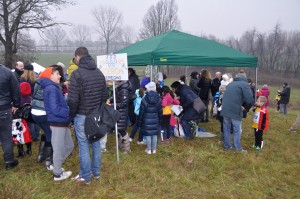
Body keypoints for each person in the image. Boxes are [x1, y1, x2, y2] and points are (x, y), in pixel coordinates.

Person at [68, 47, 108, 184]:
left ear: (78, 57)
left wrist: (71, 116)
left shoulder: (77, 74)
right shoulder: (99, 73)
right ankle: (95, 172)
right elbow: (105, 95)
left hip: (82, 115)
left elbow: (72, 100)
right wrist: (98, 110)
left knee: (84, 144)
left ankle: (85, 176)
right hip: (95, 115)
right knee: (95, 142)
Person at [40, 66, 74, 181]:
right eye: (57, 74)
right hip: (57, 122)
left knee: (69, 146)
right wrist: (68, 111)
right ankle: (58, 174)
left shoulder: (53, 87)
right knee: (59, 148)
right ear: (50, 76)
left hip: (61, 122)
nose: (60, 76)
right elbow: (55, 109)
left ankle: (56, 165)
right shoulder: (51, 88)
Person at [221, 72, 254, 152]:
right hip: (235, 109)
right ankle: (237, 148)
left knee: (226, 128)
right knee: (237, 129)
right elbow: (250, 100)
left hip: (225, 108)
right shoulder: (244, 84)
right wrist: (246, 108)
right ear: (245, 78)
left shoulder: (231, 84)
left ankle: (227, 147)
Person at [0, 64, 20, 170]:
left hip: (5, 107)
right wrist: (16, 104)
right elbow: (15, 89)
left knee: (6, 135)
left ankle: (9, 160)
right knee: (6, 136)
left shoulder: (7, 72)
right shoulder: (8, 72)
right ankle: (9, 161)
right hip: (4, 108)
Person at [31, 73, 53, 167]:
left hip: (34, 111)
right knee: (49, 133)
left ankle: (41, 155)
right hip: (43, 112)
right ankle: (48, 158)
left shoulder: (37, 83)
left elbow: (33, 95)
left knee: (45, 131)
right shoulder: (51, 86)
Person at [108, 80, 132, 153]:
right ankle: (121, 145)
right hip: (118, 111)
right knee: (118, 129)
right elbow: (115, 96)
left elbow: (123, 103)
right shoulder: (119, 88)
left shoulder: (124, 90)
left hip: (122, 112)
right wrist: (109, 99)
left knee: (122, 130)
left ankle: (127, 148)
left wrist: (111, 105)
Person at [138, 82, 162, 154]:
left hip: (146, 119)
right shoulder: (159, 99)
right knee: (154, 134)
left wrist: (140, 121)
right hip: (155, 119)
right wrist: (160, 120)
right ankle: (154, 149)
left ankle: (148, 150)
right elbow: (160, 111)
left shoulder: (144, 99)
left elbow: (141, 112)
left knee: (148, 134)